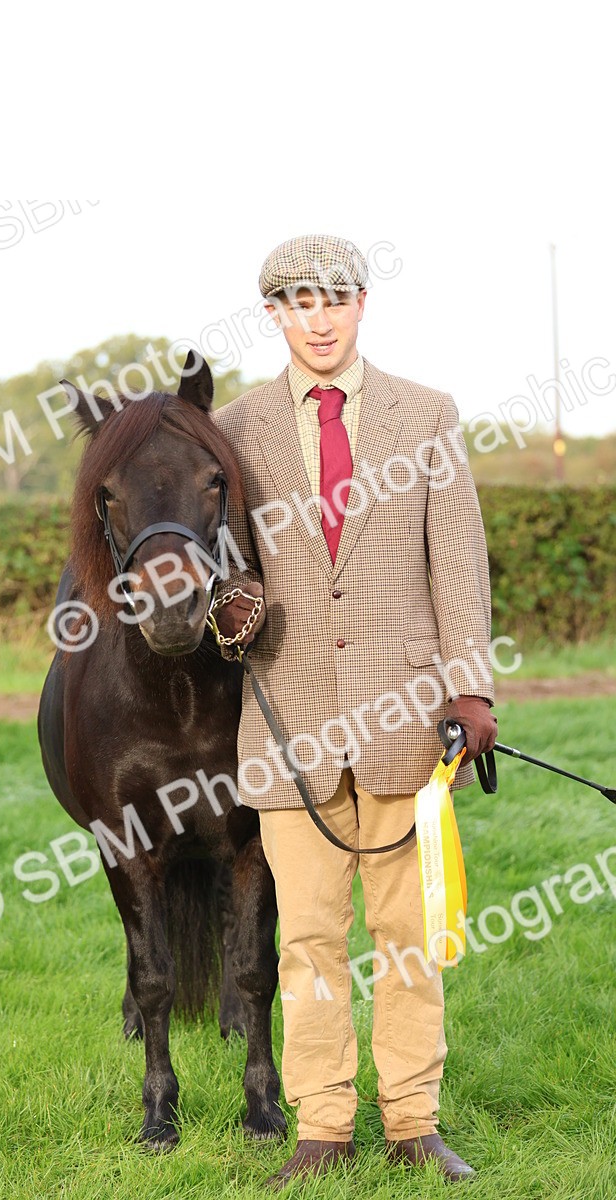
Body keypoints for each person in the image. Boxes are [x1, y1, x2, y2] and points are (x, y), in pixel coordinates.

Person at [211, 234, 497, 1189]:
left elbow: (456, 561)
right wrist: (226, 608)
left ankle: (414, 1120)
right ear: (274, 316)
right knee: (306, 939)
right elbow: (224, 568)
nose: (319, 318)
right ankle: (323, 1125)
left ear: (363, 303)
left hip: (407, 721)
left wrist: (472, 689)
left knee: (409, 937)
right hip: (288, 726)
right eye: (298, 301)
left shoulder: (427, 415)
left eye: (334, 298)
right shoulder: (237, 429)